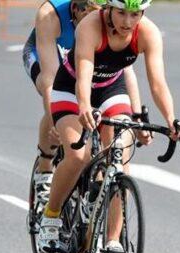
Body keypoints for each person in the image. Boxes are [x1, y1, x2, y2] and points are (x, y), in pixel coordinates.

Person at [38, 0, 180, 253]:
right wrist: (84, 106)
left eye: (135, 14)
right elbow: (84, 75)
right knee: (78, 156)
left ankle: (112, 240)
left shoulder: (148, 32)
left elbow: (158, 83)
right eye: (121, 13)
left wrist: (171, 118)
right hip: (72, 89)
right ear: (108, 9)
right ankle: (50, 217)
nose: (128, 22)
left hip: (110, 89)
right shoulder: (90, 26)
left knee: (120, 154)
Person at [23, 0, 142, 213]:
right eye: (86, 15)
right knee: (48, 89)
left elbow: (126, 72)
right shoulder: (50, 15)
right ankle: (45, 169)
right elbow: (52, 79)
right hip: (53, 57)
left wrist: (137, 116)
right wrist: (55, 123)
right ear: (76, 9)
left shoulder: (109, 22)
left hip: (89, 59)